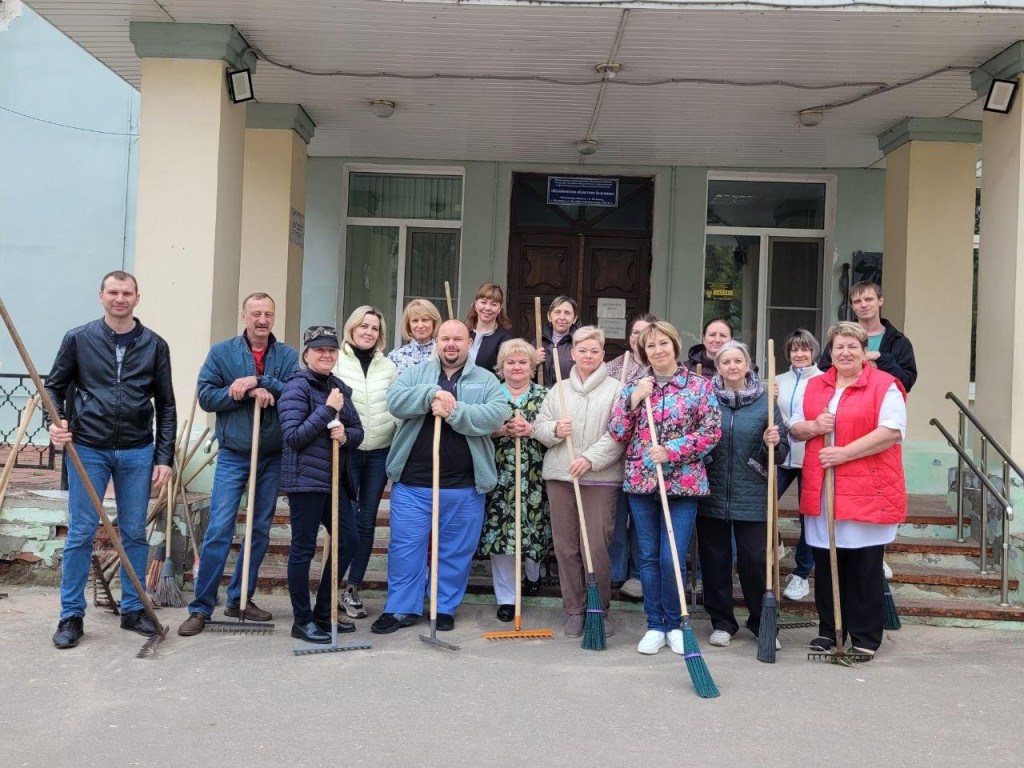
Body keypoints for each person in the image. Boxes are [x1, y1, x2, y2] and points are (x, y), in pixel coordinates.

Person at [46, 271, 176, 649]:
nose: (120, 298)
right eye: (113, 292)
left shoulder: (154, 344)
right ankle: (71, 615)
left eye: (127, 293)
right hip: (87, 446)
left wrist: (163, 456)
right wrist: (56, 424)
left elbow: (166, 405)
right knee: (82, 533)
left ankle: (133, 608)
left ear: (138, 298)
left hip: (137, 449)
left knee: (135, 531)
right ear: (101, 295)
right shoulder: (79, 338)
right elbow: (53, 386)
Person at [371, 320, 509, 634]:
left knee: (455, 551)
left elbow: (495, 415)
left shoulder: (485, 380)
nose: (451, 344)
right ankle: (400, 608)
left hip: (464, 486)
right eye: (445, 338)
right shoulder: (415, 373)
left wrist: (455, 412)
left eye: (457, 339)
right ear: (437, 341)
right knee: (406, 549)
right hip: (413, 483)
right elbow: (395, 402)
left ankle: (442, 606)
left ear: (469, 341)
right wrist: (430, 394)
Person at [178, 292, 299, 637]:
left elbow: (294, 394)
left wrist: (261, 382)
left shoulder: (286, 356)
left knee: (259, 528)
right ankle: (201, 606)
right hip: (234, 453)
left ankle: (240, 599)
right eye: (256, 313)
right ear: (243, 315)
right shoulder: (222, 353)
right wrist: (242, 391)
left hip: (271, 455)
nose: (262, 320)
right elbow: (206, 396)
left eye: (268, 314)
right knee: (220, 528)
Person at [789, 321, 907, 659]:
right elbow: (795, 428)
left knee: (863, 566)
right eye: (839, 346)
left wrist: (844, 452)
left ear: (863, 351)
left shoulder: (884, 385)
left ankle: (866, 636)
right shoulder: (816, 385)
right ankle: (830, 629)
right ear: (830, 350)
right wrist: (813, 426)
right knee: (826, 563)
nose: (845, 352)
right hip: (823, 486)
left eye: (852, 346)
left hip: (868, 488)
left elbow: (891, 431)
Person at [609, 321, 721, 655]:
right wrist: (632, 402)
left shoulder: (698, 386)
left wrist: (671, 451)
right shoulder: (636, 387)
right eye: (650, 346)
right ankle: (654, 624)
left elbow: (711, 432)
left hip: (683, 484)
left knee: (671, 556)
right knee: (647, 556)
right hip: (642, 482)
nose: (658, 350)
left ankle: (675, 622)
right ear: (643, 352)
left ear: (674, 345)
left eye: (663, 344)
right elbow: (616, 431)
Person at [534, 326, 624, 638]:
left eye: (594, 351)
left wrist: (590, 459)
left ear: (603, 355)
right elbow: (539, 429)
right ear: (572, 354)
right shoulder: (557, 389)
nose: (588, 355)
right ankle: (574, 609)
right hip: (561, 476)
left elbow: (619, 435)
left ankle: (599, 610)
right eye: (582, 350)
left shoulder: (616, 390)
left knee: (596, 547)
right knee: (566, 547)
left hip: (600, 478)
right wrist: (555, 430)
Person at [278, 325, 364, 644]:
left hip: (334, 480)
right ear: (307, 354)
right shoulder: (296, 387)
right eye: (319, 350)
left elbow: (358, 432)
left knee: (349, 540)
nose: (326, 355)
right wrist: (328, 410)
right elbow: (294, 436)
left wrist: (345, 435)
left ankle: (323, 612)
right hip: (304, 481)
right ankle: (301, 620)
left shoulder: (338, 387)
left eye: (331, 350)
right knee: (303, 549)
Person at [698, 340, 787, 648]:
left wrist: (771, 442)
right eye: (726, 362)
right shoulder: (706, 398)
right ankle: (722, 622)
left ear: (748, 365)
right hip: (712, 490)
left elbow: (782, 453)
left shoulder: (765, 402)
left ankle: (761, 622)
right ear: (718, 367)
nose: (732, 366)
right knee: (715, 560)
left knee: (753, 561)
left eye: (738, 361)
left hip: (753, 492)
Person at [477, 339, 551, 619]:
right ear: (501, 367)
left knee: (534, 532)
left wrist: (532, 429)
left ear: (532, 367)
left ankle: (533, 573)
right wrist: (500, 430)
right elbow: (476, 427)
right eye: (511, 362)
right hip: (499, 477)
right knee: (501, 535)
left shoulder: (546, 395)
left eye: (523, 362)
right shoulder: (490, 395)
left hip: (535, 477)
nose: (517, 367)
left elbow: (554, 431)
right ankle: (507, 598)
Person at [333, 305, 397, 620]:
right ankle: (330, 586)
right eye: (364, 326)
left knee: (367, 518)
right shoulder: (337, 360)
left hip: (380, 451)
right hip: (347, 450)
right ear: (352, 328)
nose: (369, 332)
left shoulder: (388, 365)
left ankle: (352, 588)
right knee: (343, 520)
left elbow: (396, 405)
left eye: (374, 328)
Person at [605, 312, 658, 599]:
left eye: (645, 333)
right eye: (635, 333)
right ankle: (615, 571)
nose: (639, 338)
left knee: (641, 518)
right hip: (617, 453)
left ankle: (639, 574)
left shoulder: (660, 368)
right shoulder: (614, 367)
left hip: (647, 458)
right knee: (616, 514)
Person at [775, 328, 823, 602]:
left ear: (813, 351)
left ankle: (802, 573)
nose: (800, 354)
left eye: (805, 349)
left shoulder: (824, 380)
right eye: (795, 349)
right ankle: (776, 541)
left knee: (809, 516)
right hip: (782, 456)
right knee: (763, 506)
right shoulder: (777, 380)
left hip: (811, 457)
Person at [818, 281, 917, 393]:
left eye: (869, 299)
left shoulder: (899, 341)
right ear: (852, 306)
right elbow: (823, 375)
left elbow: (906, 383)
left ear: (880, 301)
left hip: (884, 405)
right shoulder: (840, 338)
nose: (863, 305)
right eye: (857, 301)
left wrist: (881, 359)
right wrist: (856, 367)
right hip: (845, 404)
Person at [465, 282, 514, 374]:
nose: (487, 308)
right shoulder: (463, 332)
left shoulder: (504, 338)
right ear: (476, 304)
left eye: (493, 304)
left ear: (500, 308)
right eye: (483, 302)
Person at [388, 299, 443, 376]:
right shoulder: (396, 356)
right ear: (408, 325)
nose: (420, 326)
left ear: (434, 323)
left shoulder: (443, 352)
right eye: (415, 321)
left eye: (425, 320)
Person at [536, 295, 580, 385]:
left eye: (567, 313)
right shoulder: (537, 343)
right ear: (549, 316)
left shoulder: (580, 344)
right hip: (543, 397)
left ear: (574, 318)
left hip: (569, 396)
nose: (562, 317)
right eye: (557, 312)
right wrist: (532, 362)